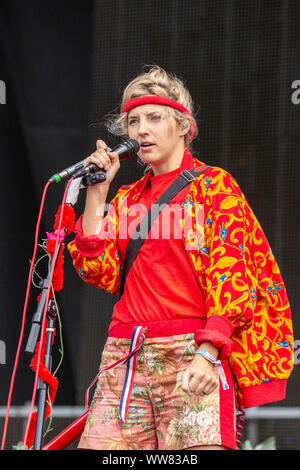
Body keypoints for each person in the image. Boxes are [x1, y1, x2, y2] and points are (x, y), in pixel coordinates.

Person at [67, 66, 294, 451]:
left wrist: (208, 353)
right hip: (125, 355)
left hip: (191, 352)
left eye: (154, 118)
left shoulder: (214, 187)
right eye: (133, 121)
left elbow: (234, 279)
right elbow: (97, 272)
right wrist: (97, 194)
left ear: (184, 125)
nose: (141, 131)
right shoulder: (125, 200)